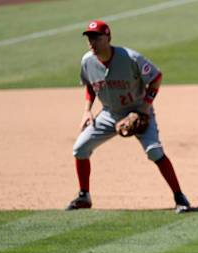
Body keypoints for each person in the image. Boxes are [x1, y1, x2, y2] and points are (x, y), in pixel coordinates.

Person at [66, 20, 190, 213]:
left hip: (138, 110)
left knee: (154, 151)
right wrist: (87, 110)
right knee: (80, 148)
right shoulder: (87, 61)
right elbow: (91, 85)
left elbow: (156, 78)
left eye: (96, 38)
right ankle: (84, 196)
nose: (92, 42)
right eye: (89, 38)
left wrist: (144, 109)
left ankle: (180, 197)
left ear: (108, 38)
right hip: (109, 113)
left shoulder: (130, 58)